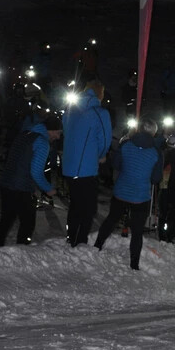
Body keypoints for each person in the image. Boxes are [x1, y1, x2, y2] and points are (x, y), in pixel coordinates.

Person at [95, 119, 162, 270]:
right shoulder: (156, 152)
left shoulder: (126, 144)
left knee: (111, 219)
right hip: (141, 196)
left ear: (139, 129)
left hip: (122, 191)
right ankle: (134, 264)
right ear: (154, 133)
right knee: (137, 231)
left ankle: (97, 246)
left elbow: (116, 164)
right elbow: (156, 178)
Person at [0, 116, 62, 247]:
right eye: (58, 133)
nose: (58, 137)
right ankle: (23, 248)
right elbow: (36, 171)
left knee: (7, 218)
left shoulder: (24, 134)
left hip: (6, 182)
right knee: (28, 221)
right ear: (50, 130)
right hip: (20, 187)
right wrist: (48, 189)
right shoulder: (42, 142)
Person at [62, 79, 112, 247]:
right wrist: (101, 155)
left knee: (75, 204)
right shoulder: (99, 112)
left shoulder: (71, 109)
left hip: (69, 166)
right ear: (100, 94)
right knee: (88, 207)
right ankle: (80, 240)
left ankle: (71, 237)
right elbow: (105, 140)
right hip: (86, 168)